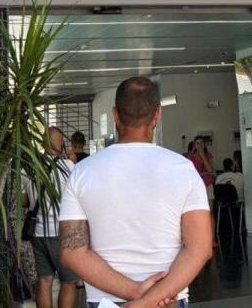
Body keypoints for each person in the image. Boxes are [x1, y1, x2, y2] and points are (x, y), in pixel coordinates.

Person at [58, 77, 213, 308]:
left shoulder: (82, 172)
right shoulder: (183, 170)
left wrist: (135, 293)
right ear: (157, 115)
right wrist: (148, 299)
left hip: (105, 300)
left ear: (115, 115)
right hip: (167, 300)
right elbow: (199, 249)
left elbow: (72, 252)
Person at [22, 126, 78, 308]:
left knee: (44, 280)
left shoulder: (29, 169)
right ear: (60, 144)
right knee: (69, 281)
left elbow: (25, 201)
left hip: (38, 233)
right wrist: (74, 162)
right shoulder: (68, 167)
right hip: (61, 233)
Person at [187, 136, 215, 206]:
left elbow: (210, 170)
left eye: (202, 143)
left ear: (204, 144)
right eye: (197, 143)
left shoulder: (208, 155)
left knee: (210, 209)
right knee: (199, 207)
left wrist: (203, 156)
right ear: (195, 145)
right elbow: (189, 172)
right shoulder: (191, 157)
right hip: (196, 185)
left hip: (208, 184)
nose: (200, 145)